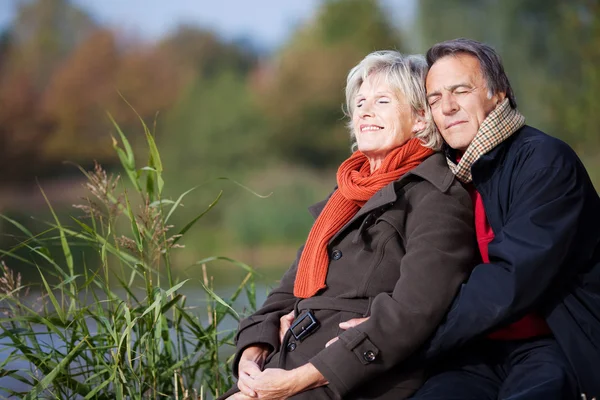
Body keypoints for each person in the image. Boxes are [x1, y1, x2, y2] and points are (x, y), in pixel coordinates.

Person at [219, 51, 476, 400]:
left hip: (354, 380)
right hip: (287, 362)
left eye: (382, 101)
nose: (366, 111)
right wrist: (251, 354)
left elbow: (413, 313)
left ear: (419, 118)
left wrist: (300, 379)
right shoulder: (343, 196)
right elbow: (284, 294)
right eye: (360, 103)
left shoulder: (436, 196)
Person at [403, 38, 600, 399]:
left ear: (499, 94)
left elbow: (509, 280)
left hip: (554, 341)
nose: (446, 107)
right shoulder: (449, 173)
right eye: (434, 99)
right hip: (477, 348)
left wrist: (408, 341)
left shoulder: (545, 162)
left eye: (460, 91)